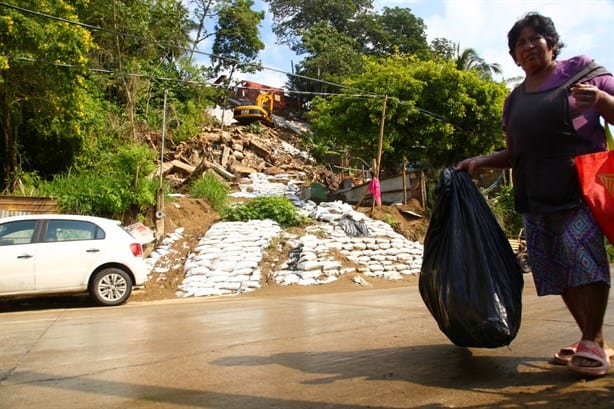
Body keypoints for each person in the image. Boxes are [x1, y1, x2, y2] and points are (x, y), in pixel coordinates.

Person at [456, 12, 614, 377]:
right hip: (536, 195)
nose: (527, 46)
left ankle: (592, 340)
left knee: (585, 261)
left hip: (581, 190)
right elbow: (516, 153)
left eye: (534, 39)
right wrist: (481, 161)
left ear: (552, 43)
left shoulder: (583, 73)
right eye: (519, 44)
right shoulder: (514, 101)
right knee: (560, 270)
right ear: (513, 57)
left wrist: (603, 100)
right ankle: (592, 340)